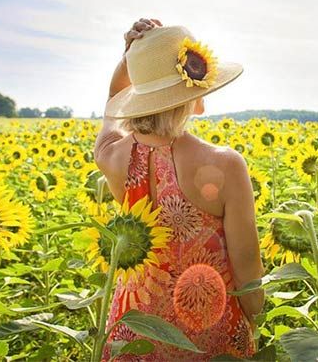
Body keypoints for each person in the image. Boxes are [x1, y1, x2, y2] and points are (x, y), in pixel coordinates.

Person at [94, 18, 265, 360]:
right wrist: (257, 328)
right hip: (209, 333)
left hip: (133, 331)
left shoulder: (112, 156)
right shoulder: (226, 165)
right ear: (194, 93)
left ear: (138, 95)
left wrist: (129, 60)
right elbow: (248, 271)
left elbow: (111, 108)